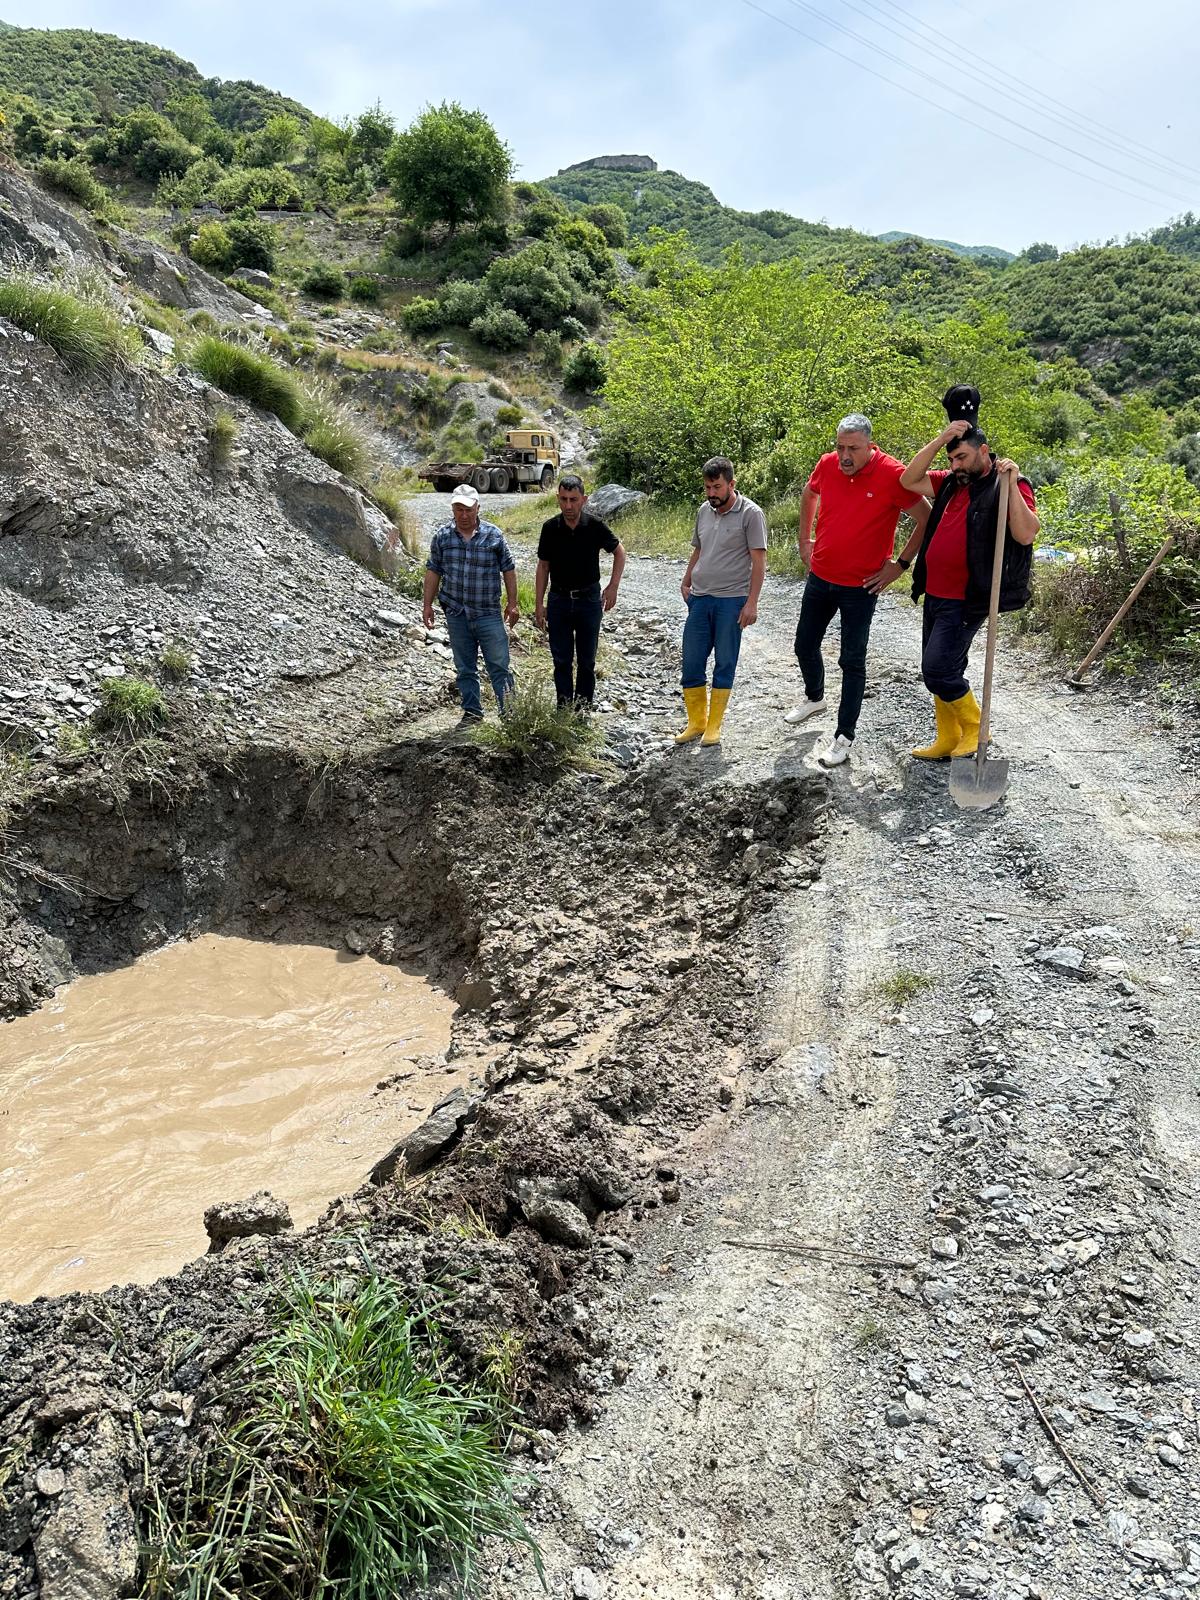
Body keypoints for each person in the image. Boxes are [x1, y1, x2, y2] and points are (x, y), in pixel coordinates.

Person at [899, 392, 1039, 759]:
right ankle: (948, 737)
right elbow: (908, 480)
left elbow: (1026, 534)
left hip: (968, 597)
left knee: (937, 669)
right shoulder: (950, 481)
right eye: (951, 458)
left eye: (961, 456)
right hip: (936, 591)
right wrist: (941, 440)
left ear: (983, 450)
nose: (956, 464)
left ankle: (977, 727)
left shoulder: (1009, 483)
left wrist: (1011, 485)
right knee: (944, 664)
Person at [785, 413, 930, 769]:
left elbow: (928, 519)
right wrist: (805, 540)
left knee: (852, 661)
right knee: (804, 643)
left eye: (853, 448)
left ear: (870, 445)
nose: (845, 456)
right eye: (840, 447)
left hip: (861, 587)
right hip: (821, 575)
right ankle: (815, 697)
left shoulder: (893, 474)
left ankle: (843, 736)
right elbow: (810, 492)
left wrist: (900, 565)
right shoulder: (828, 464)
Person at [675, 455, 767, 747]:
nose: (712, 493)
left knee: (724, 663)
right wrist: (686, 579)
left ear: (731, 484)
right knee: (691, 661)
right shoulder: (704, 511)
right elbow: (698, 549)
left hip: (732, 600)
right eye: (707, 487)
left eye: (716, 487)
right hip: (700, 599)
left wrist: (752, 603)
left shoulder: (751, 514)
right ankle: (696, 722)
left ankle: (714, 726)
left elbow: (759, 561)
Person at [422, 484, 519, 727]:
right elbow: (433, 570)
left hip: (487, 613)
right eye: (458, 509)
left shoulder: (494, 535)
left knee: (499, 666)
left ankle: (510, 715)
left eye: (468, 510)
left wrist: (513, 603)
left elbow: (508, 569)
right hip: (456, 612)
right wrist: (427, 605)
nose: (463, 515)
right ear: (453, 509)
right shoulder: (442, 536)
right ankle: (472, 713)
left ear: (478, 508)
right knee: (465, 667)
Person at [534, 475, 626, 711]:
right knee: (561, 660)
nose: (568, 505)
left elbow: (619, 552)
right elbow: (543, 566)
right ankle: (564, 709)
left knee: (586, 661)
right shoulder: (550, 528)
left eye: (573, 500)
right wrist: (539, 604)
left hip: (588, 600)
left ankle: (583, 710)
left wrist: (613, 586)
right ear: (558, 499)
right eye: (563, 499)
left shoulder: (594, 526)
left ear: (583, 499)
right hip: (559, 600)